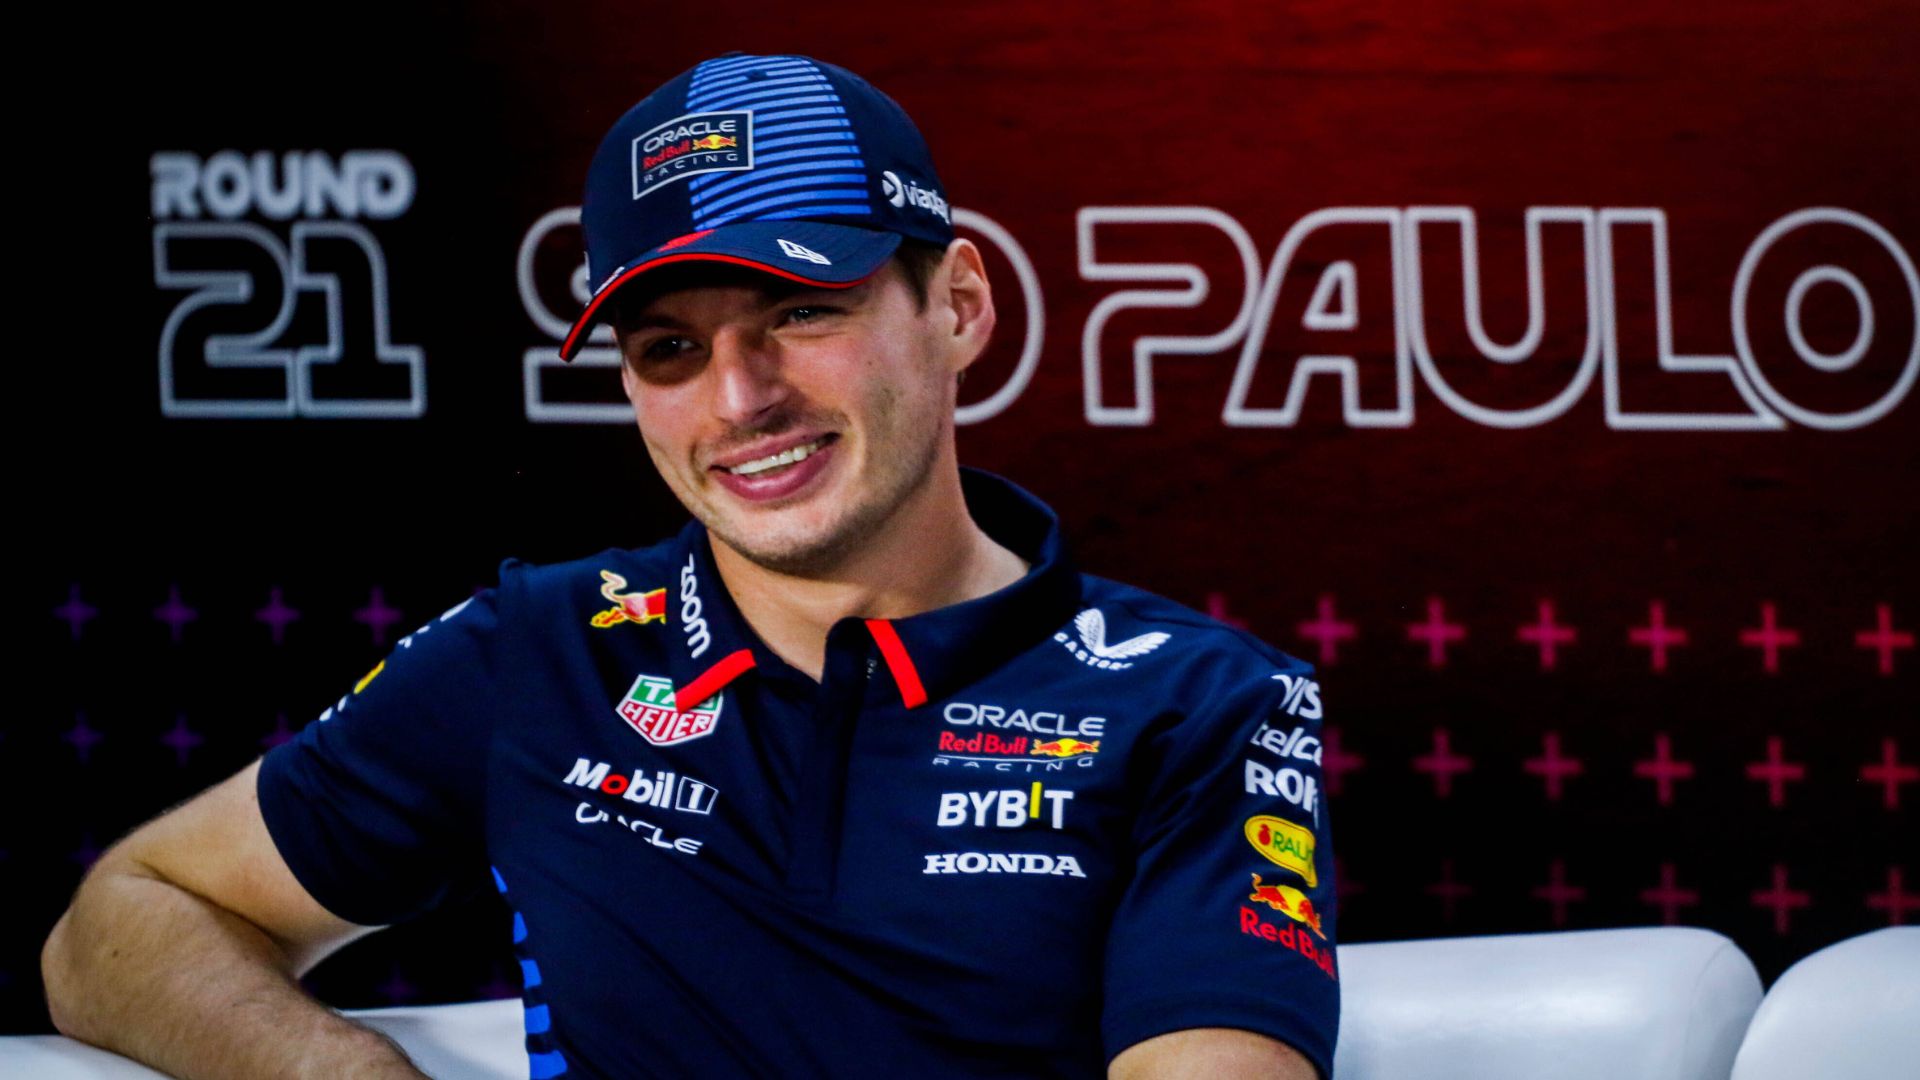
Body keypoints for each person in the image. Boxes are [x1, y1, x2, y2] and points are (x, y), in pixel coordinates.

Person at [43, 52, 1339, 1079]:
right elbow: (120, 923)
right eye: (669, 348)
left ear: (958, 306)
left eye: (801, 310)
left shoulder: (1201, 705)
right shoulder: (539, 650)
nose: (739, 398)